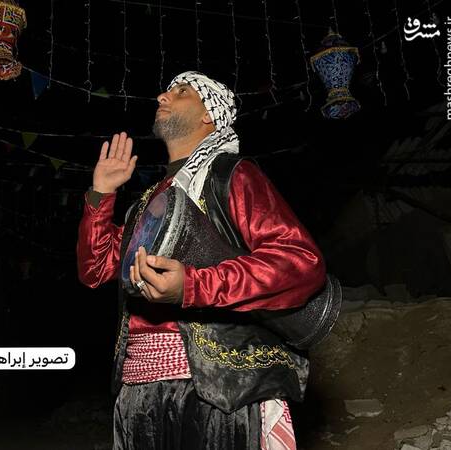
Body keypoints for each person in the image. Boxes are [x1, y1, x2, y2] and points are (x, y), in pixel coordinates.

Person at [76, 71, 326, 449]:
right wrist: (101, 194)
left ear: (210, 114)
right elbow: (95, 270)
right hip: (139, 391)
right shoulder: (148, 202)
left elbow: (300, 261)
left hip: (216, 390)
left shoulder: (231, 175)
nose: (162, 96)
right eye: (166, 90)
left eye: (181, 92)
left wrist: (193, 285)